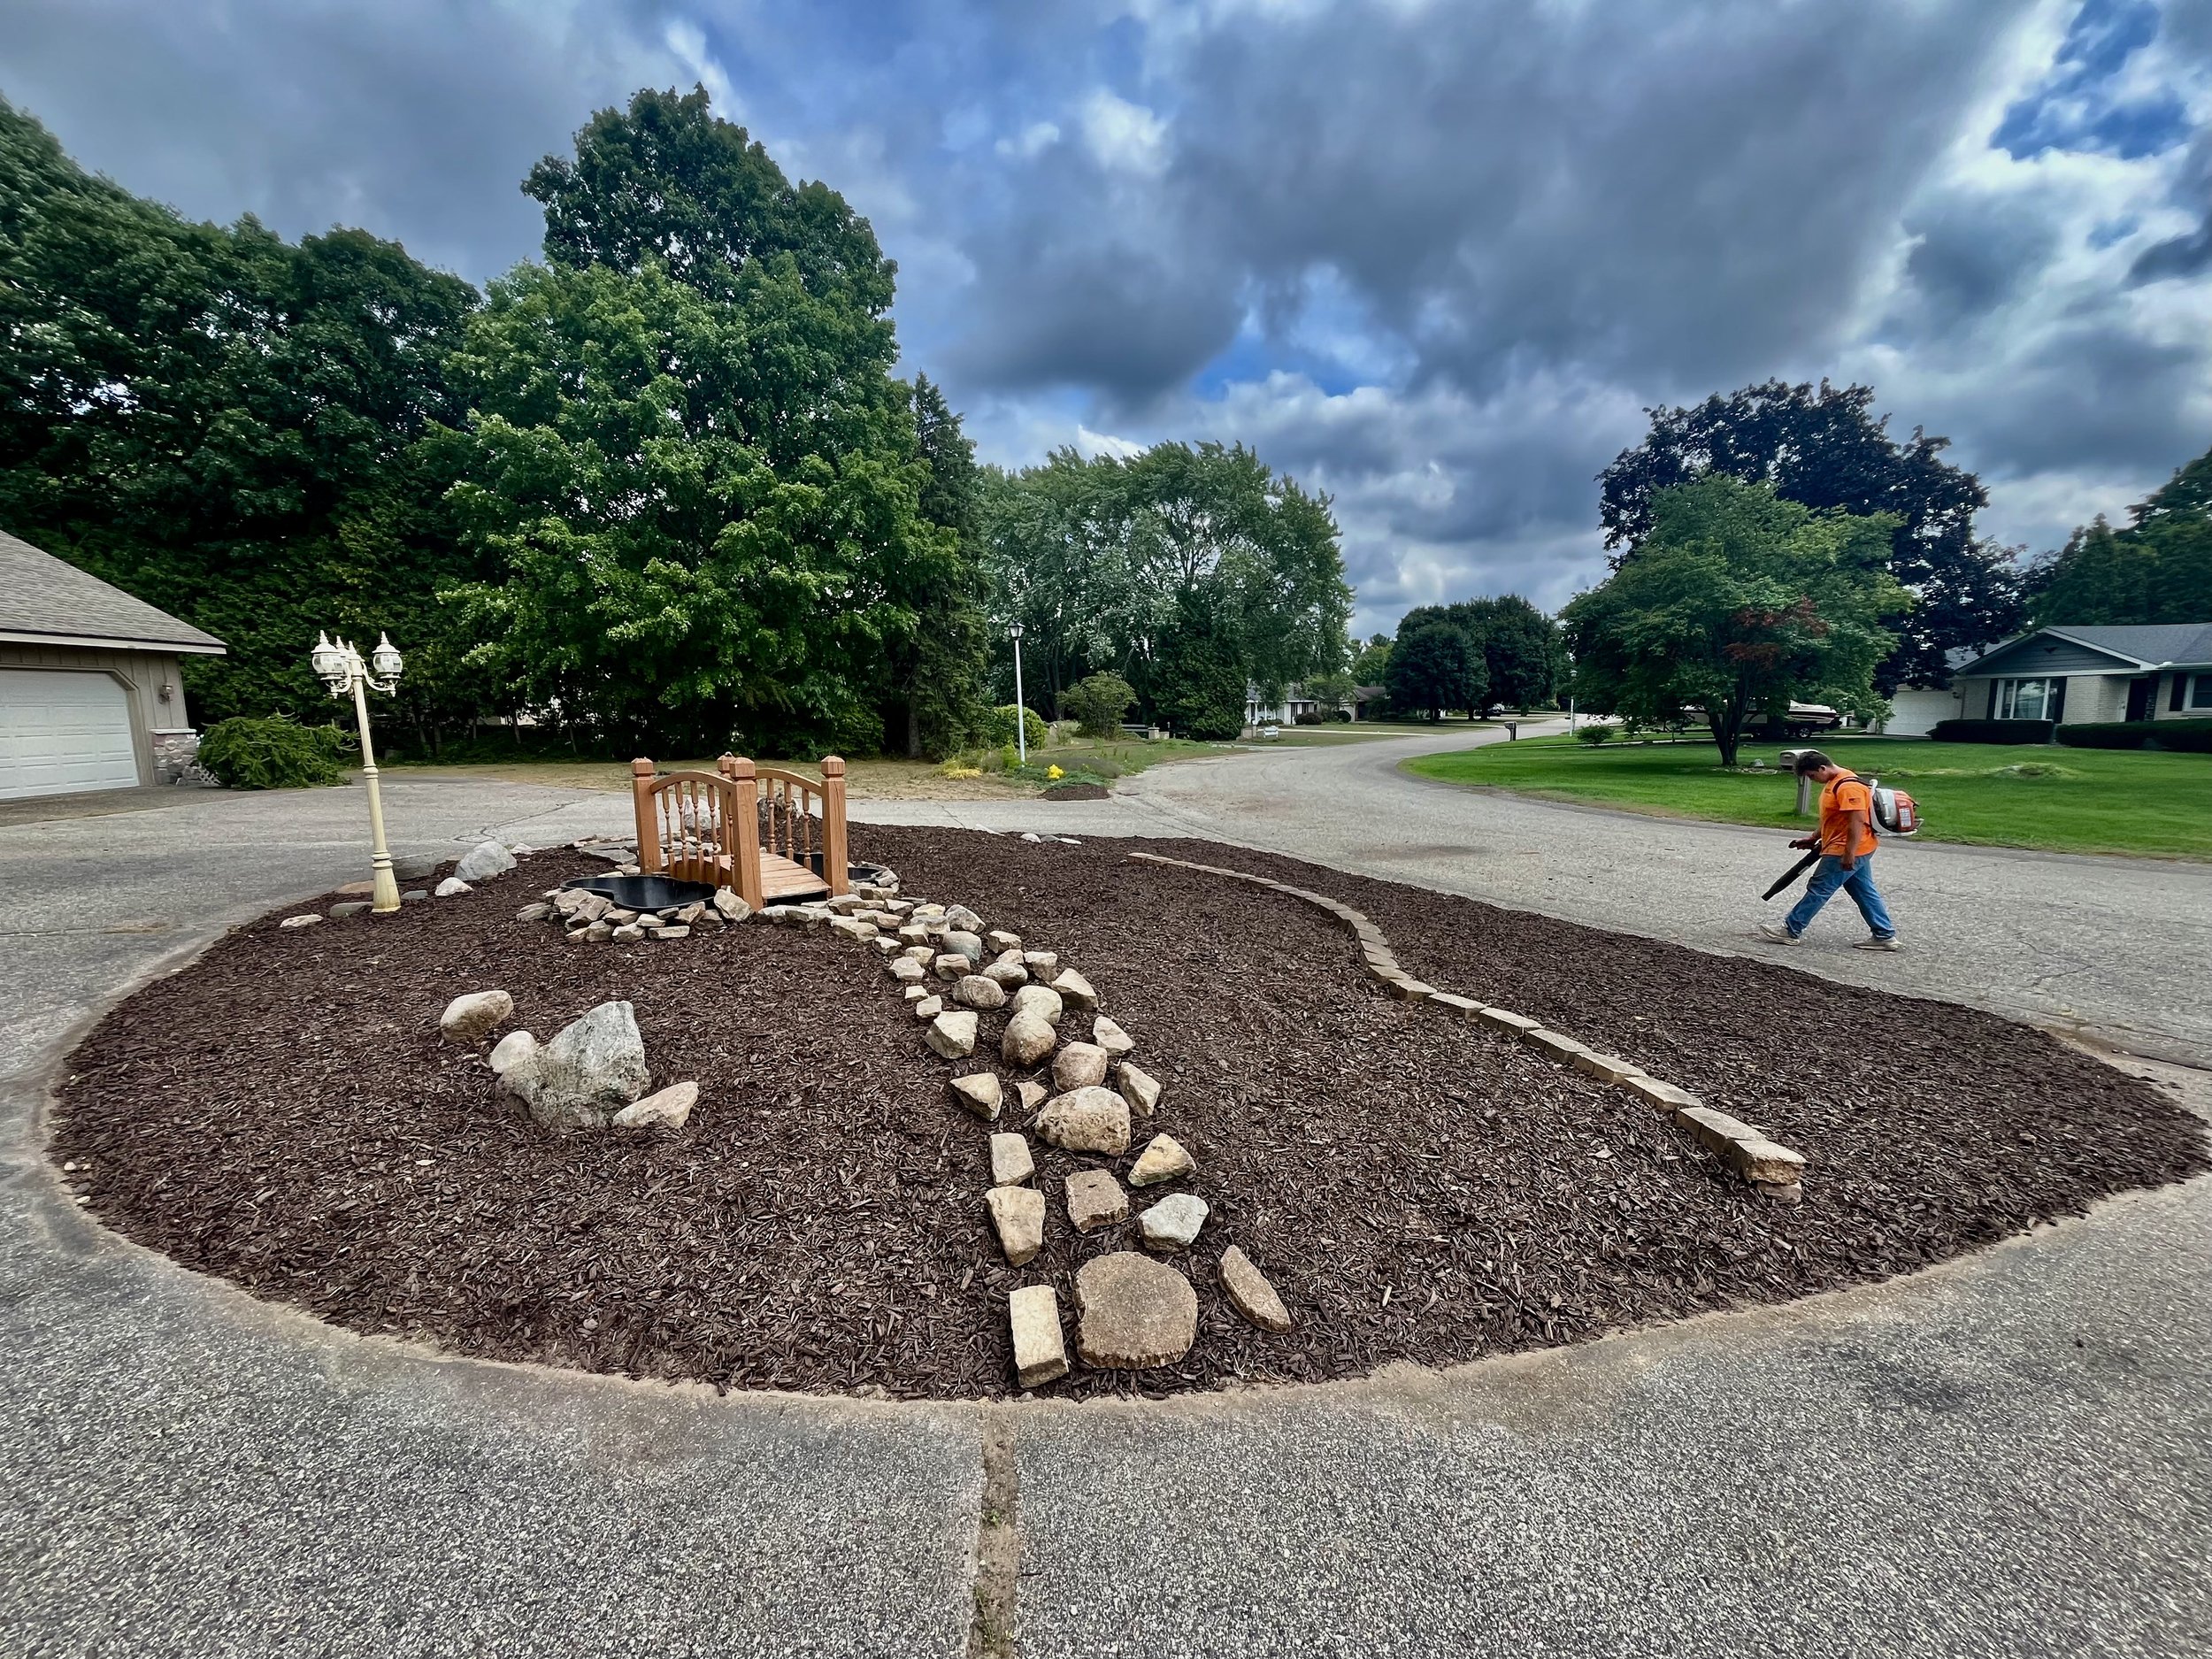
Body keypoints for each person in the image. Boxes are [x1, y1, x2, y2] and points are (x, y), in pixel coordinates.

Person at [1756, 749, 1900, 950]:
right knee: (1863, 890)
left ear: (1822, 768)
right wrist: (1814, 837)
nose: (1812, 780)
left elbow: (1857, 821)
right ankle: (1884, 935)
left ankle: (1791, 930)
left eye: (1812, 775)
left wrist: (1848, 853)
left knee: (1819, 888)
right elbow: (1834, 818)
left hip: (1847, 848)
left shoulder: (1848, 786)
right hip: (1849, 845)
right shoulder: (1835, 782)